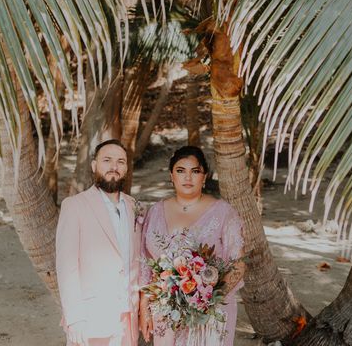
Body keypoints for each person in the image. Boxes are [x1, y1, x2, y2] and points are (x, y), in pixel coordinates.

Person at [139, 146, 246, 346]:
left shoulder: (223, 213)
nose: (188, 177)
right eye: (181, 171)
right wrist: (144, 305)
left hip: (210, 313)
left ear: (204, 177)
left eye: (195, 171)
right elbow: (146, 264)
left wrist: (206, 299)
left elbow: (238, 264)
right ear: (171, 176)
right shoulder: (155, 211)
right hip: (165, 311)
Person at [56, 139, 141, 346]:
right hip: (91, 318)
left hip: (128, 319)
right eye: (107, 160)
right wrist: (75, 318)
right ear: (94, 166)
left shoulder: (134, 206)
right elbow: (67, 267)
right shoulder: (74, 206)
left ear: (126, 168)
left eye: (121, 161)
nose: (114, 167)